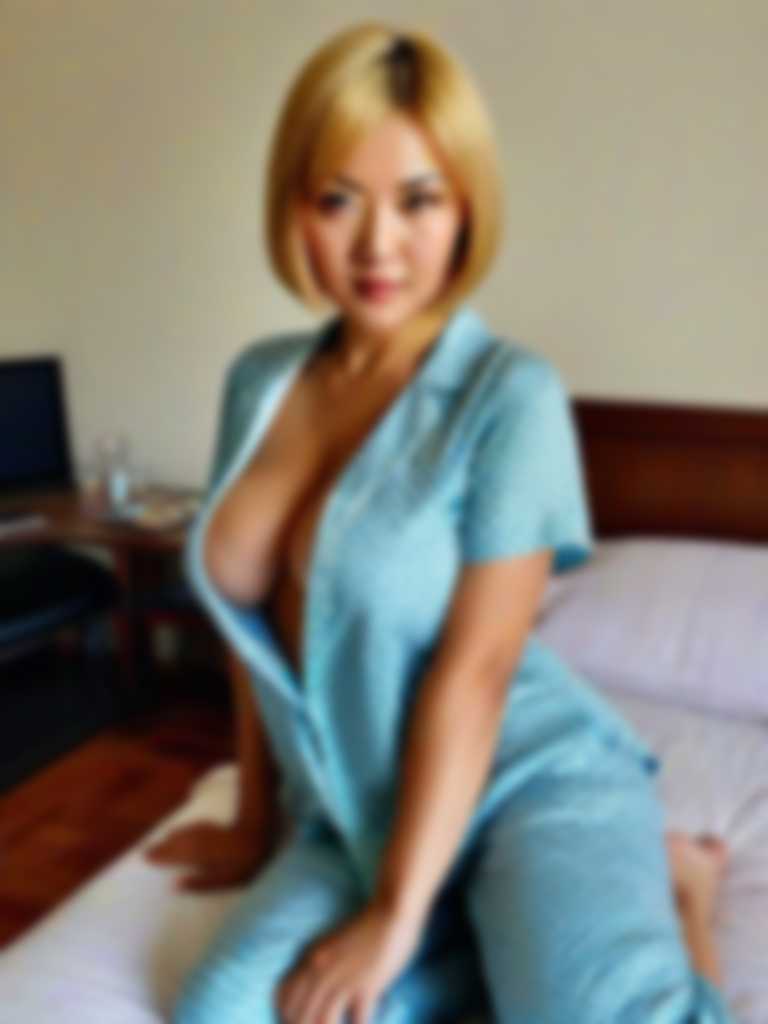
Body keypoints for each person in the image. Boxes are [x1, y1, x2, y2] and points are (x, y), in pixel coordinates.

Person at [145, 21, 736, 1023]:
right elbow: (258, 640)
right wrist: (253, 820)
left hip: (525, 779)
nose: (378, 245)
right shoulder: (259, 381)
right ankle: (475, 922)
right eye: (339, 199)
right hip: (355, 801)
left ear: (466, 209)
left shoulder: (509, 397)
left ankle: (687, 895)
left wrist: (394, 915)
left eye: (418, 201)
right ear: (295, 206)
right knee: (220, 1012)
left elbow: (480, 670)